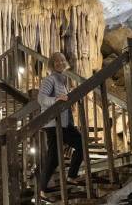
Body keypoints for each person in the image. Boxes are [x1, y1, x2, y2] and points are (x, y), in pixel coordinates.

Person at [38, 52, 84, 197]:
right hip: (53, 124)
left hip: (64, 123)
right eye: (56, 61)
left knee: (80, 145)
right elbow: (41, 98)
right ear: (52, 64)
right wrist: (56, 99)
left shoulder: (62, 80)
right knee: (54, 157)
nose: (60, 63)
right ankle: (42, 189)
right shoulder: (50, 79)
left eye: (62, 60)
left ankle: (71, 176)